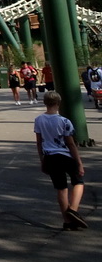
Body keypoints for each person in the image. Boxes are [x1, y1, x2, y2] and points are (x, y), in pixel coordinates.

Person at [33, 90, 87, 230]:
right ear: (58, 103)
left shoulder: (39, 120)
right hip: (65, 155)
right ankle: (73, 210)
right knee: (78, 181)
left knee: (61, 189)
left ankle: (67, 221)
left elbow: (39, 142)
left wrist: (42, 159)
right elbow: (70, 143)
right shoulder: (64, 121)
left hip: (50, 157)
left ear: (45, 103)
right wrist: (79, 162)